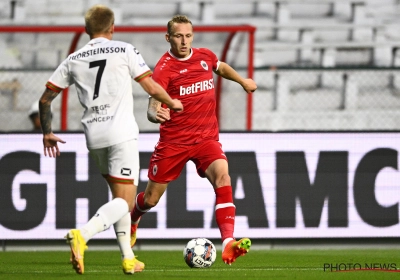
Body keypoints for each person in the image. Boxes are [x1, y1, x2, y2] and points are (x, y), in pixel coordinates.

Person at [38, 5, 183, 275]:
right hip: (121, 133)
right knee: (126, 202)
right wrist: (171, 102)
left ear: (86, 30)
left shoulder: (73, 58)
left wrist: (47, 132)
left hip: (94, 136)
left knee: (119, 198)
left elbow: (45, 99)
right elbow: (150, 86)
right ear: (112, 28)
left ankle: (128, 258)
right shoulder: (124, 49)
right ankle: (82, 234)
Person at [129, 14, 257, 265]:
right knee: (151, 199)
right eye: (178, 36)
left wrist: (242, 81)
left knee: (223, 176)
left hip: (205, 138)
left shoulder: (204, 56)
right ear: (168, 38)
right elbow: (152, 106)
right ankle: (134, 217)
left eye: (188, 35)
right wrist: (156, 114)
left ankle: (228, 242)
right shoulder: (164, 69)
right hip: (174, 143)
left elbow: (220, 66)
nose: (184, 41)